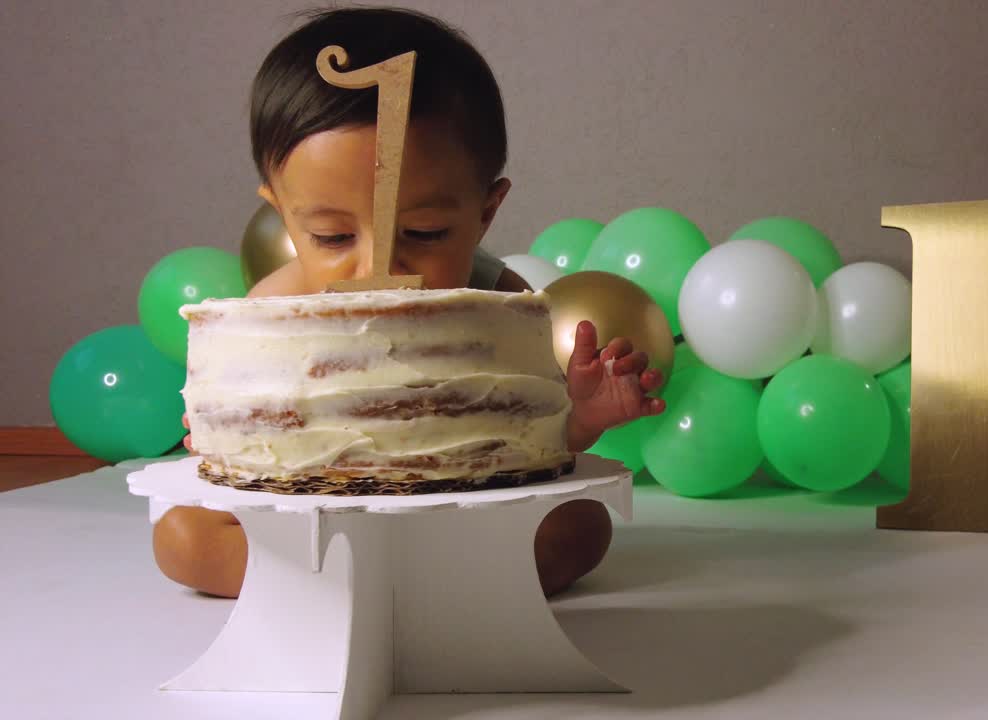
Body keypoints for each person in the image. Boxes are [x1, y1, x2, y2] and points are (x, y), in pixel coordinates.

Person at [152, 7, 664, 599]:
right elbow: (246, 433)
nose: (378, 268)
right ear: (282, 212)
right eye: (332, 237)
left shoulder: (501, 307)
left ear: (485, 212)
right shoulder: (275, 311)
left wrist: (584, 415)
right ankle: (381, 586)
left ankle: (377, 587)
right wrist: (224, 426)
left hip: (458, 521)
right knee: (182, 537)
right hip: (310, 520)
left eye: (423, 232)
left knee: (577, 529)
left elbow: (534, 439)